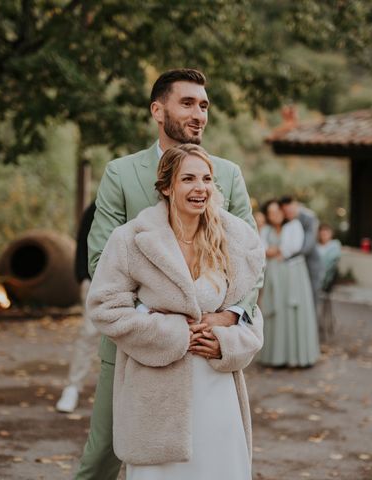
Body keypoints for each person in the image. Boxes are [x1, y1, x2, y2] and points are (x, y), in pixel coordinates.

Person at [75, 68, 261, 480]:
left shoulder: (226, 174)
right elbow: (99, 261)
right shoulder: (121, 173)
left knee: (212, 455)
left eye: (205, 105)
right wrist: (166, 324)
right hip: (136, 347)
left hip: (208, 349)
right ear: (158, 110)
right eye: (188, 103)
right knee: (104, 453)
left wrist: (227, 319)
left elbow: (251, 262)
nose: (199, 114)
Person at [258, 199, 319, 367]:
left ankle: (298, 357)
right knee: (275, 312)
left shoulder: (293, 226)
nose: (275, 215)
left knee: (293, 311)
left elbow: (293, 246)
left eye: (277, 211)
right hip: (274, 276)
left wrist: (276, 250)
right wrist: (272, 251)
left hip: (294, 276)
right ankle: (275, 358)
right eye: (271, 213)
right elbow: (261, 248)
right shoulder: (266, 230)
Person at [56, 201, 97, 413]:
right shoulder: (97, 206)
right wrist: (83, 277)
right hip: (94, 281)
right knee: (88, 334)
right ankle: (72, 388)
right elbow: (82, 242)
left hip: (132, 282)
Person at [279, 196, 323, 309]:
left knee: (311, 300)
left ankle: (313, 326)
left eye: (290, 211)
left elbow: (309, 244)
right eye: (285, 212)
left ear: (296, 205)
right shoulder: (284, 220)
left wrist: (285, 254)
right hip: (291, 267)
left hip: (310, 265)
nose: (288, 214)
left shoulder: (309, 218)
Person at [317, 223, 342, 293]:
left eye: (326, 233)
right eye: (322, 233)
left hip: (327, 275)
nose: (324, 236)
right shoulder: (316, 246)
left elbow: (331, 261)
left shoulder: (335, 245)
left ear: (331, 234)